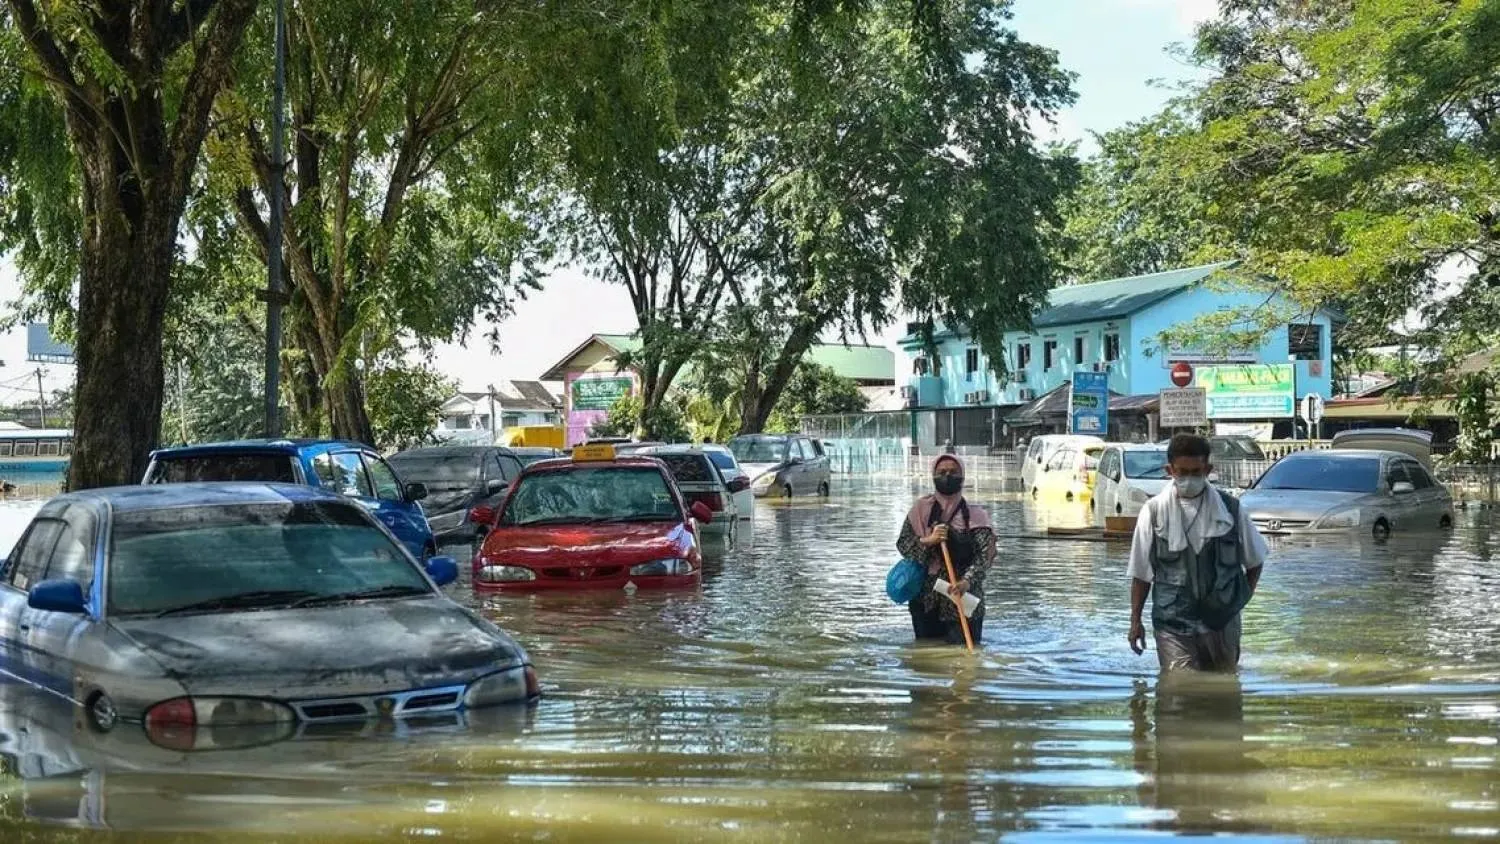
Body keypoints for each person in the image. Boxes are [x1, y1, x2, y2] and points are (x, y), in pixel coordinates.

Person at [1128, 433, 1268, 672]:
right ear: (1169, 470)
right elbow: (1141, 574)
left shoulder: (1230, 510)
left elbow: (1255, 562)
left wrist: (1237, 601)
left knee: (1224, 689)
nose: (1189, 479)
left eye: (1196, 472)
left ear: (1208, 469)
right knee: (1179, 689)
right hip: (1172, 622)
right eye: (1182, 472)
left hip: (1222, 622)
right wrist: (1135, 621)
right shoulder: (1153, 513)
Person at [896, 455, 996, 644]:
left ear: (962, 476)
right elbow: (904, 545)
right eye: (942, 472)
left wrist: (967, 581)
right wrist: (928, 540)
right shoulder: (920, 510)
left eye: (953, 472)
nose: (947, 476)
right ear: (933, 476)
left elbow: (984, 557)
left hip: (964, 599)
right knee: (928, 659)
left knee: (964, 660)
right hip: (926, 600)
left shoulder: (976, 515)